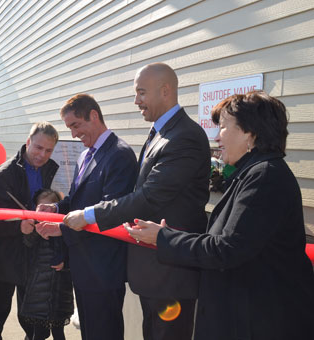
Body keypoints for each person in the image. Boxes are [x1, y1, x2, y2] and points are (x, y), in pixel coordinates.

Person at [128, 91, 314, 339]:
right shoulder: (252, 173)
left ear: (250, 132)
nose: (216, 138)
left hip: (258, 322)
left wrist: (163, 238)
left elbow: (227, 248)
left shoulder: (265, 176)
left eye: (223, 128)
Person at [63, 63, 210, 340]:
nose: (136, 101)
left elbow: (150, 197)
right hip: (153, 270)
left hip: (170, 272)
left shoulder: (184, 137)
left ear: (165, 91)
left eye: (141, 93)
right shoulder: (162, 132)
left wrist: (90, 214)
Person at [36, 94, 138, 340]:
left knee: (105, 333)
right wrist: (56, 210)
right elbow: (76, 200)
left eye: (76, 125)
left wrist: (63, 229)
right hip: (84, 266)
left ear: (94, 116)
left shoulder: (120, 154)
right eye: (70, 127)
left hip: (104, 268)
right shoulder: (86, 155)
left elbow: (112, 212)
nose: (73, 134)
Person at [0, 122, 60, 340]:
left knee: (35, 322)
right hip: (3, 258)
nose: (42, 154)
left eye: (48, 150)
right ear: (27, 143)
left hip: (36, 256)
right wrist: (19, 226)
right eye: (38, 147)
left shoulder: (54, 171)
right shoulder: (4, 174)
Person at [20, 189, 74, 340]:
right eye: (41, 208)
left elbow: (72, 253)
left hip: (60, 289)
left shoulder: (64, 230)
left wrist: (65, 263)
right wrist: (29, 232)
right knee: (39, 333)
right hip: (38, 290)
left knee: (58, 332)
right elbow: (27, 245)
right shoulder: (34, 228)